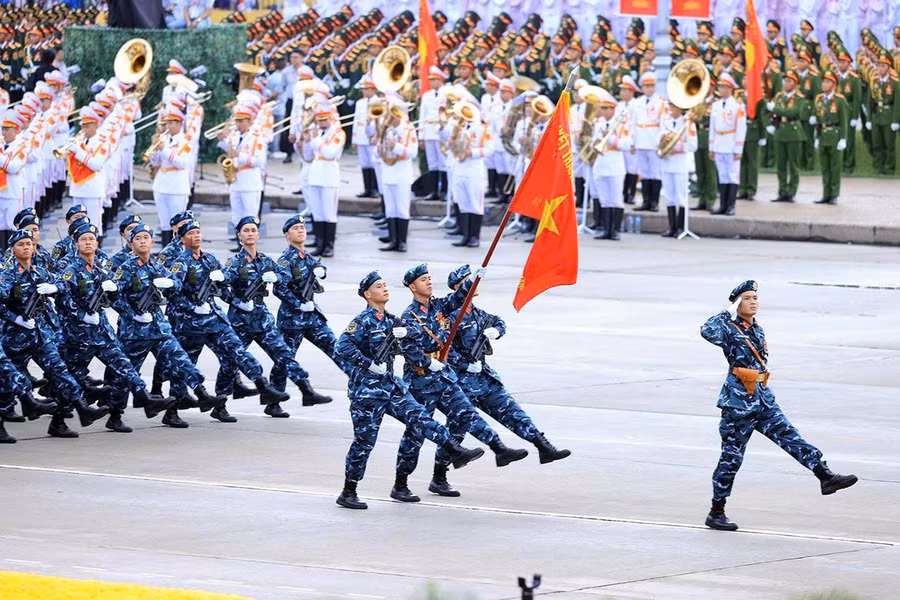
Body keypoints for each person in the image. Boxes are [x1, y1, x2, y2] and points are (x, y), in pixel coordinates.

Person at [700, 280, 858, 531]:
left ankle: (825, 476)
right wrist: (724, 312)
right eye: (747, 298)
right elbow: (707, 331)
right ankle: (716, 511)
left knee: (791, 436)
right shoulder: (728, 329)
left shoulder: (757, 330)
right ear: (737, 303)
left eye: (755, 297)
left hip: (763, 398)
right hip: (738, 404)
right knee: (731, 458)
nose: (753, 302)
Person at [334, 271, 486, 510]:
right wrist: (367, 363)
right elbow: (341, 347)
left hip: (391, 387)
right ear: (367, 294)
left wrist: (407, 334)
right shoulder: (362, 321)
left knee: (421, 419)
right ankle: (349, 490)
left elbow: (419, 337)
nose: (384, 289)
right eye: (378, 286)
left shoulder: (393, 321)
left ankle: (454, 450)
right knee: (364, 443)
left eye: (385, 285)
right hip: (367, 393)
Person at [393, 264, 528, 500]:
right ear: (413, 287)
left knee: (467, 413)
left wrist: (472, 281)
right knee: (415, 434)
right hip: (421, 382)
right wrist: (426, 363)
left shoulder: (439, 306)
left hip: (444, 378)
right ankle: (401, 484)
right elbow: (407, 347)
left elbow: (458, 298)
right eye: (424, 280)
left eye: (429, 278)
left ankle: (499, 449)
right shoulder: (409, 317)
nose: (429, 282)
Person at [166, 218, 289, 425]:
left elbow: (222, 290)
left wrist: (238, 302)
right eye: (190, 234)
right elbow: (174, 293)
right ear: (183, 239)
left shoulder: (210, 260)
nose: (196, 236)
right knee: (186, 366)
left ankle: (261, 386)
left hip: (214, 320)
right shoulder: (181, 263)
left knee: (236, 352)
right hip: (190, 324)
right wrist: (192, 306)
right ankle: (172, 411)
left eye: (198, 232)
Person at [444, 265, 571, 462]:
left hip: (483, 379)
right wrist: (463, 365)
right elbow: (443, 349)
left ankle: (544, 447)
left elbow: (499, 321)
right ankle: (439, 477)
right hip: (461, 383)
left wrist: (497, 331)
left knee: (512, 412)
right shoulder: (451, 316)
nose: (475, 283)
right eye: (468, 281)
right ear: (457, 288)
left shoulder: (478, 313)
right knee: (456, 432)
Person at [55, 223, 171, 429]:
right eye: (83, 240)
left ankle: (144, 397)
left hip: (103, 333)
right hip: (80, 336)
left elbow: (115, 296)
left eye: (91, 239)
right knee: (72, 375)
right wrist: (83, 315)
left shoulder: (101, 269)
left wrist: (114, 290)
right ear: (76, 244)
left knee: (124, 366)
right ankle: (59, 420)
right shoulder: (71, 271)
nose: (88, 242)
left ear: (97, 243)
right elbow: (63, 300)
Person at [110, 223, 224, 431]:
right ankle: (115, 414)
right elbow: (114, 298)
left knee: (180, 361)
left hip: (159, 328)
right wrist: (132, 314)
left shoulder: (156, 266)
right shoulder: (125, 268)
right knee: (128, 373)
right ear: (131, 243)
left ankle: (198, 395)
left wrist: (171, 284)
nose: (143, 241)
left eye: (146, 238)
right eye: (138, 238)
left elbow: (176, 283)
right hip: (135, 332)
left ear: (152, 242)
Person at [216, 216, 331, 419]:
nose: (250, 233)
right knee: (230, 362)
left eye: (253, 230)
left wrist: (280, 276)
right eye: (246, 231)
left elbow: (286, 278)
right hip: (240, 321)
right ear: (239, 236)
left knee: (283, 355)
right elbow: (220, 287)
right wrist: (237, 301)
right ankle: (220, 404)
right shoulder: (234, 262)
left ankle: (305, 391)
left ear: (258, 234)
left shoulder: (266, 261)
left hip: (262, 319)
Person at [0, 229, 66, 442]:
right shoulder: (7, 275)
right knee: (8, 375)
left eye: (30, 243)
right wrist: (15, 318)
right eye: (22, 244)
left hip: (36, 333)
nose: (27, 247)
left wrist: (55, 287)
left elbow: (63, 282)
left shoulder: (37, 271)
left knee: (56, 370)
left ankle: (52, 412)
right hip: (13, 335)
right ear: (13, 249)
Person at [271, 214, 345, 397]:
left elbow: (319, 268)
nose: (300, 231)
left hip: (312, 317)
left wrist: (322, 272)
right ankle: (274, 398)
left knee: (335, 349)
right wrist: (298, 304)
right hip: (292, 320)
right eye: (295, 228)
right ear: (287, 235)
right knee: (284, 360)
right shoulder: (285, 260)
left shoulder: (307, 257)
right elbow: (279, 289)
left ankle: (359, 383)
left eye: (302, 228)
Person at [301, 102, 344, 257]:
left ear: (330, 118)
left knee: (329, 213)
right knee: (318, 212)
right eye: (319, 120)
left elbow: (330, 153)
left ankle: (329, 245)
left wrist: (315, 140)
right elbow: (307, 156)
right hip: (315, 175)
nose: (321, 123)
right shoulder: (316, 134)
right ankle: (320, 244)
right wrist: (306, 141)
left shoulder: (338, 133)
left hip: (329, 176)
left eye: (324, 119)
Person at [218, 104, 265, 241]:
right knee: (237, 216)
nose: (238, 124)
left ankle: (251, 248)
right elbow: (229, 150)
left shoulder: (257, 137)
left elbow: (258, 161)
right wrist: (222, 140)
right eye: (237, 121)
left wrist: (239, 155)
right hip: (236, 181)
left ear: (250, 121)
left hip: (250, 181)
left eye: (241, 121)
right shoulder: (235, 136)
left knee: (250, 217)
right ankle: (240, 246)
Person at [375, 98, 417, 253]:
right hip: (388, 172)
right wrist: (379, 149)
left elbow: (413, 152)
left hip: (402, 174)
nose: (390, 119)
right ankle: (393, 240)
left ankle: (402, 241)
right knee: (391, 209)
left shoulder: (408, 129)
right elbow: (379, 152)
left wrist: (396, 147)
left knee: (402, 209)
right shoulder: (385, 129)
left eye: (393, 115)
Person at [149, 108, 192, 249]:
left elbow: (182, 163)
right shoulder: (163, 139)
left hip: (177, 185)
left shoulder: (186, 141)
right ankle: (165, 253)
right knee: (164, 222)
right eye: (166, 123)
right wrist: (153, 151)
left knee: (178, 222)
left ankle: (178, 253)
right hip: (161, 183)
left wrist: (164, 150)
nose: (168, 127)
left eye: (171, 123)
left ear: (179, 124)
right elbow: (155, 163)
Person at [590, 93, 631, 240]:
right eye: (602, 108)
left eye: (607, 108)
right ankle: (606, 229)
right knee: (605, 198)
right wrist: (593, 143)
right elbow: (593, 143)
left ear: (613, 109)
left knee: (616, 198)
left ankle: (615, 230)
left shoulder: (621, 125)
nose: (604, 111)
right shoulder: (599, 124)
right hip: (601, 164)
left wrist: (611, 138)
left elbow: (627, 144)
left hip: (614, 165)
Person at [66, 107, 109, 235]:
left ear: (96, 125)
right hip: (77, 188)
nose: (84, 129)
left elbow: (97, 164)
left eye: (87, 126)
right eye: (82, 126)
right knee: (77, 225)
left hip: (92, 189)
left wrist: (78, 151)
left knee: (94, 225)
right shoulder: (80, 141)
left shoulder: (102, 142)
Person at [708, 73, 746, 216]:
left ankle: (731, 205)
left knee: (732, 175)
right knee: (722, 175)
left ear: (730, 89)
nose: (721, 90)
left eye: (724, 87)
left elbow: (741, 128)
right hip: (719, 142)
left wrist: (738, 149)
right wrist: (712, 147)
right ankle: (722, 205)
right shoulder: (716, 105)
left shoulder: (737, 106)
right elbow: (712, 127)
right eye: (720, 87)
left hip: (731, 142)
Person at [767, 72, 808, 203]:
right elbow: (772, 112)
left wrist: (776, 109)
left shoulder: (799, 97)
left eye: (790, 81)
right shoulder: (779, 96)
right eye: (785, 81)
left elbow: (793, 112)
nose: (786, 83)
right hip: (780, 132)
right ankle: (782, 191)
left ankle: (791, 192)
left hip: (793, 132)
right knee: (781, 165)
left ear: (795, 84)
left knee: (793, 165)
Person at [659, 102, 698, 236]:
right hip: (667, 162)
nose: (671, 109)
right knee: (669, 196)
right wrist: (662, 141)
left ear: (680, 108)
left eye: (674, 106)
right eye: (670, 106)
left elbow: (693, 145)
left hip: (680, 162)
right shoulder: (664, 121)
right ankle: (672, 227)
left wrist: (675, 145)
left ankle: (682, 227)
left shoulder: (688, 123)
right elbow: (658, 138)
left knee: (681, 196)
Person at [813, 71, 849, 205]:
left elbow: (844, 120)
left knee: (835, 167)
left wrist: (843, 138)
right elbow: (818, 120)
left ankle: (834, 194)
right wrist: (817, 137)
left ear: (833, 85)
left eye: (827, 82)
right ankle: (825, 194)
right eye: (823, 82)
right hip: (823, 136)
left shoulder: (839, 100)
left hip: (834, 136)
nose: (824, 84)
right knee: (825, 167)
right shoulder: (819, 100)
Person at [632, 71, 665, 212]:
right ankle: (646, 201)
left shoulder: (661, 102)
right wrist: (633, 141)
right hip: (641, 139)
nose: (649, 88)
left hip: (653, 139)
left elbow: (663, 123)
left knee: (655, 172)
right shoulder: (637, 102)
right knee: (644, 172)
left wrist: (660, 141)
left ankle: (654, 202)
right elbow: (633, 123)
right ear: (642, 87)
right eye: (646, 86)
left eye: (651, 86)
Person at [866, 53, 900, 176]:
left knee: (889, 144)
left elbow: (897, 103)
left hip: (888, 116)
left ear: (888, 67)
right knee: (876, 143)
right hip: (876, 117)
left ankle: (890, 167)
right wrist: (869, 119)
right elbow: (869, 101)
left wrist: (896, 120)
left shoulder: (895, 83)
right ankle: (878, 166)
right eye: (878, 65)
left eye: (883, 66)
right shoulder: (874, 81)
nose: (880, 68)